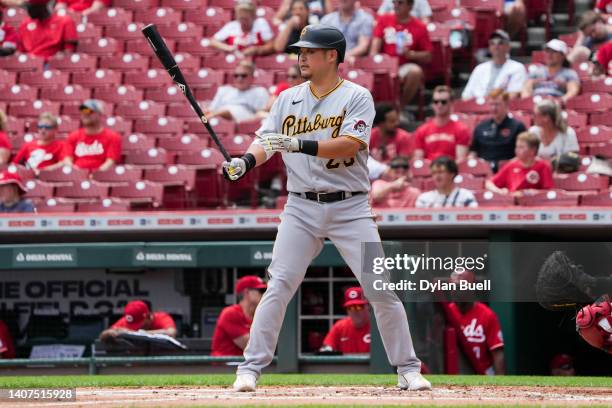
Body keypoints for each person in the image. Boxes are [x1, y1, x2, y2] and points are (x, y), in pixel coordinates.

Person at [223, 24, 431, 392]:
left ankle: (408, 368)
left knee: (379, 287)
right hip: (300, 207)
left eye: (308, 51)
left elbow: (351, 143)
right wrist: (245, 162)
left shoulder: (357, 96)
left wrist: (297, 144)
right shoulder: (287, 98)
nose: (301, 57)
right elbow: (266, 141)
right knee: (279, 284)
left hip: (350, 207)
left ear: (332, 55)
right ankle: (250, 369)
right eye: (299, 52)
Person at [370, 0, 433, 109]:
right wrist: (375, 63)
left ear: (410, 6)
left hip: (404, 65)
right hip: (386, 64)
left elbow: (428, 56)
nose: (396, 5)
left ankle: (399, 108)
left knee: (415, 72)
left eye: (400, 2)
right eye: (394, 2)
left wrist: (412, 55)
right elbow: (374, 49)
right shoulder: (384, 19)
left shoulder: (420, 26)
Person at [442, 270, 505, 375]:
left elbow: (498, 353)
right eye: (454, 287)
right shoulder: (446, 314)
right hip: (455, 374)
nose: (457, 290)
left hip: (483, 374)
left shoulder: (487, 315)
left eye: (462, 286)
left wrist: (500, 385)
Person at [469, 89, 526, 172]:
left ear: (506, 105)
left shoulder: (517, 126)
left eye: (497, 104)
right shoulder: (480, 127)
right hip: (483, 170)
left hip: (508, 170)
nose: (494, 108)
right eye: (491, 104)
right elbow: (473, 152)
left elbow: (522, 154)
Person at [461, 30, 527, 100]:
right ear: (489, 47)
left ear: (508, 47)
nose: (496, 46)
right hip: (477, 106)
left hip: (502, 107)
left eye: (500, 43)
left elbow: (514, 94)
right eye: (492, 43)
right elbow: (466, 95)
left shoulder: (517, 68)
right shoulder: (479, 68)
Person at [211, 275, 267, 356]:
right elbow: (253, 347)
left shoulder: (258, 315)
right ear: (247, 292)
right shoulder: (231, 313)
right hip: (224, 365)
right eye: (261, 291)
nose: (264, 294)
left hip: (244, 365)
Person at [413, 86, 471, 162]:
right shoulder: (422, 130)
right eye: (436, 101)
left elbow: (460, 160)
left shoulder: (461, 130)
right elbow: (418, 160)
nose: (439, 105)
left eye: (443, 102)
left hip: (451, 171)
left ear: (451, 103)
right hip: (429, 171)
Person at [485, 131, 554, 195]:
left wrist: (532, 193)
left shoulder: (543, 166)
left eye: (521, 147)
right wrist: (499, 191)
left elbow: (549, 192)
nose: (517, 150)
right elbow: (489, 183)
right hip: (512, 204)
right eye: (516, 146)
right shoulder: (511, 165)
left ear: (533, 150)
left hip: (535, 205)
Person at [63, 99, 122, 171]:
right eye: (83, 111)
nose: (85, 114)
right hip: (77, 177)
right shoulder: (73, 136)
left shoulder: (113, 137)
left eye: (89, 111)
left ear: (99, 114)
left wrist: (96, 174)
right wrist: (76, 172)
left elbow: (110, 162)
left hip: (101, 178)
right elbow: (67, 159)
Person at [210, 0, 274, 57]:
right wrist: (229, 48)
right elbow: (212, 41)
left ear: (253, 16)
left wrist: (257, 50)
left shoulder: (260, 24)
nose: (243, 22)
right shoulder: (232, 26)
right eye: (241, 18)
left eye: (246, 18)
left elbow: (271, 46)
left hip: (257, 62)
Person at [320, 286, 371, 353]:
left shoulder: (377, 327)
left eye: (359, 307)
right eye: (350, 308)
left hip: (373, 363)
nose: (354, 311)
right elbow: (327, 347)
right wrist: (327, 350)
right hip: (347, 363)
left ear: (368, 306)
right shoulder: (340, 326)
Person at [99, 300, 176, 341]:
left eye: (138, 323)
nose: (136, 326)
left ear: (148, 316)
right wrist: (109, 333)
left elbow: (171, 332)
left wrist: (138, 334)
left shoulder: (161, 317)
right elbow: (103, 335)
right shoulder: (126, 320)